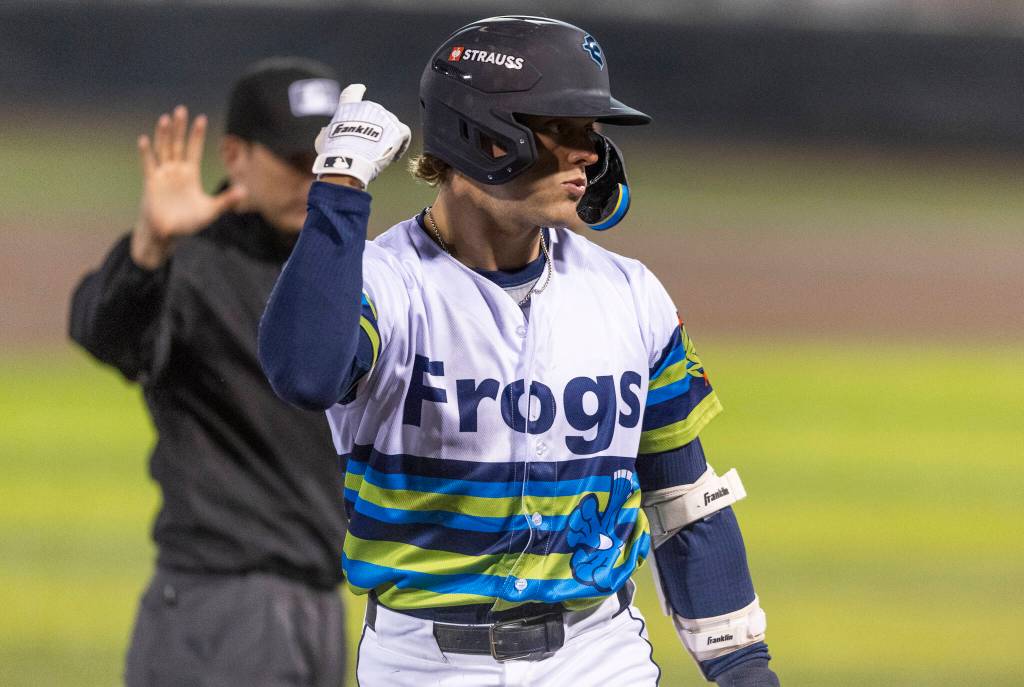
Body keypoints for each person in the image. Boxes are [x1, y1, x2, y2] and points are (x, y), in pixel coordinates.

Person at [260, 16, 780, 687]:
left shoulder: (629, 293)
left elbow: (683, 499)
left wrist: (742, 666)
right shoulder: (384, 287)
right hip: (424, 664)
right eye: (561, 127)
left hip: (598, 656)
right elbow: (303, 371)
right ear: (480, 134)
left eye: (591, 132)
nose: (587, 153)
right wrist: (337, 191)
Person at [69, 57, 350, 687]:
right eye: (295, 162)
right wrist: (150, 248)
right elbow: (105, 333)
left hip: (320, 606)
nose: (315, 179)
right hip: (223, 609)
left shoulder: (342, 267)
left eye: (329, 162)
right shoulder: (194, 264)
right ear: (236, 155)